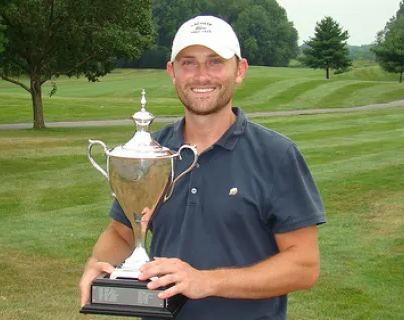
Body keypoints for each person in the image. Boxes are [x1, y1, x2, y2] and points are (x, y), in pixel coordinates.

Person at [79, 15, 326, 319]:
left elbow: (304, 265)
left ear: (240, 70)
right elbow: (121, 233)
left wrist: (206, 281)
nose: (201, 76)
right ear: (172, 71)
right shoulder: (152, 153)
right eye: (188, 63)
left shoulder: (276, 155)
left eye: (214, 62)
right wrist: (98, 264)